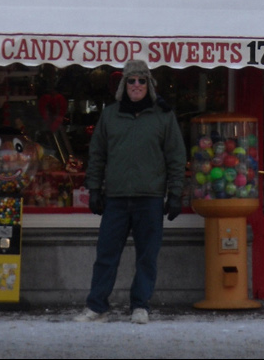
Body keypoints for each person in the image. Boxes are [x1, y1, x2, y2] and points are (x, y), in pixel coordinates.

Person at [76, 58, 186, 324]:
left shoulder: (163, 116)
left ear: (150, 85)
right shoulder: (110, 115)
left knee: (147, 256)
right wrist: (94, 189)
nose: (136, 85)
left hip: (149, 198)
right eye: (131, 80)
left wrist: (175, 194)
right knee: (106, 255)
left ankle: (141, 305)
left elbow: (176, 156)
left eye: (142, 80)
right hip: (116, 197)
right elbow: (98, 154)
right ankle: (97, 305)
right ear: (123, 85)